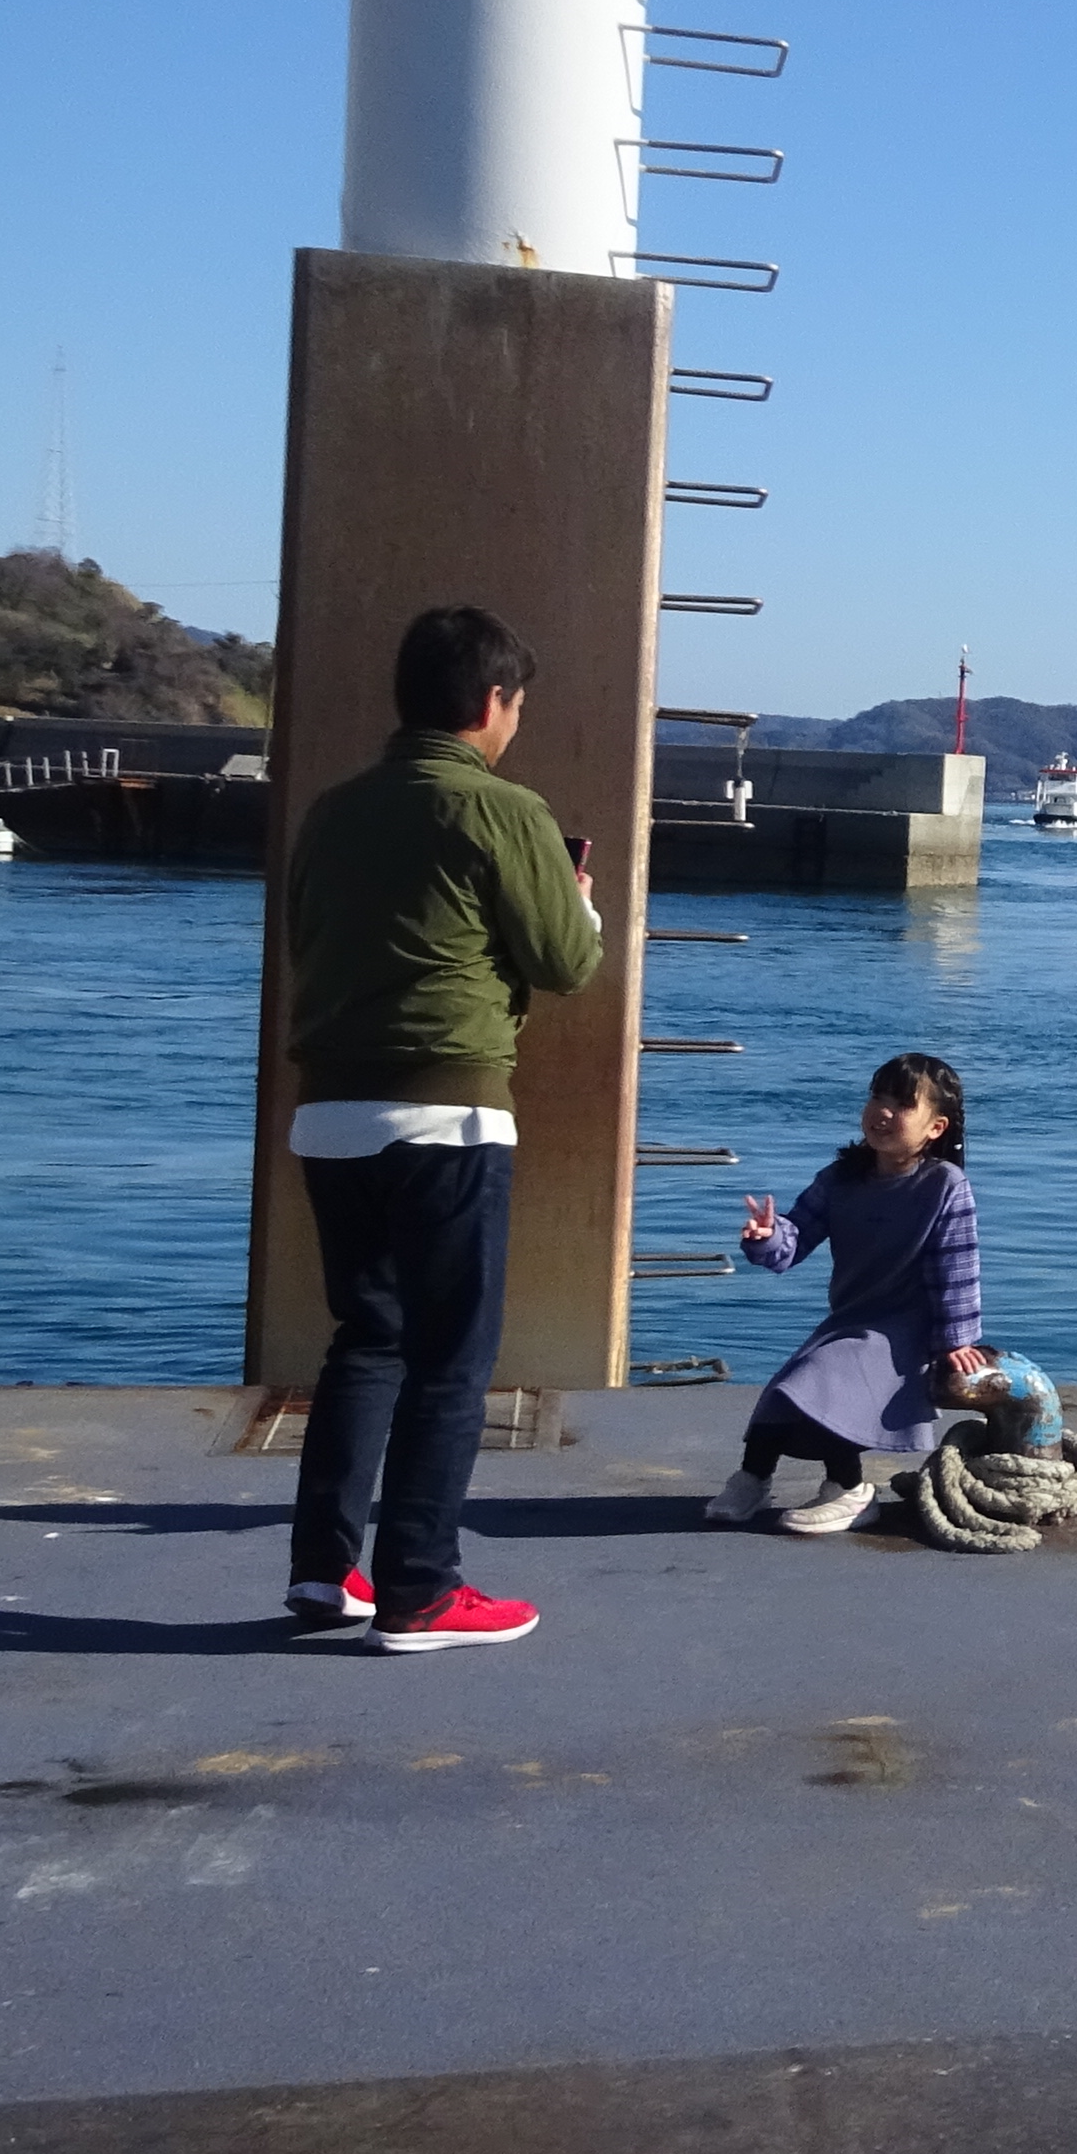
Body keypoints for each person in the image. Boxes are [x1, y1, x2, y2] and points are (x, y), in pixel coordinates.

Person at [279, 604, 602, 1653]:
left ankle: (326, 1569)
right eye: (518, 705)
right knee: (452, 1357)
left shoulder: (333, 811)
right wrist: (578, 901)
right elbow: (564, 961)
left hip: (329, 1112)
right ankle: (421, 1589)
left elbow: (304, 938)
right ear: (493, 701)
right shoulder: (501, 809)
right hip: (449, 1113)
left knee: (365, 1339)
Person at [711, 1051, 991, 1538]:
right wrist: (767, 1237)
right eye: (877, 1097)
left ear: (936, 1127)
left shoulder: (945, 1185)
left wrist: (956, 1340)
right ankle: (753, 1479)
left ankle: (850, 1490)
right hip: (852, 1320)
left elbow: (957, 1266)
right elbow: (795, 1238)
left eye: (902, 1104)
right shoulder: (841, 1178)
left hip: (905, 1329)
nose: (882, 1111)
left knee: (825, 1381)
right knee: (783, 1395)